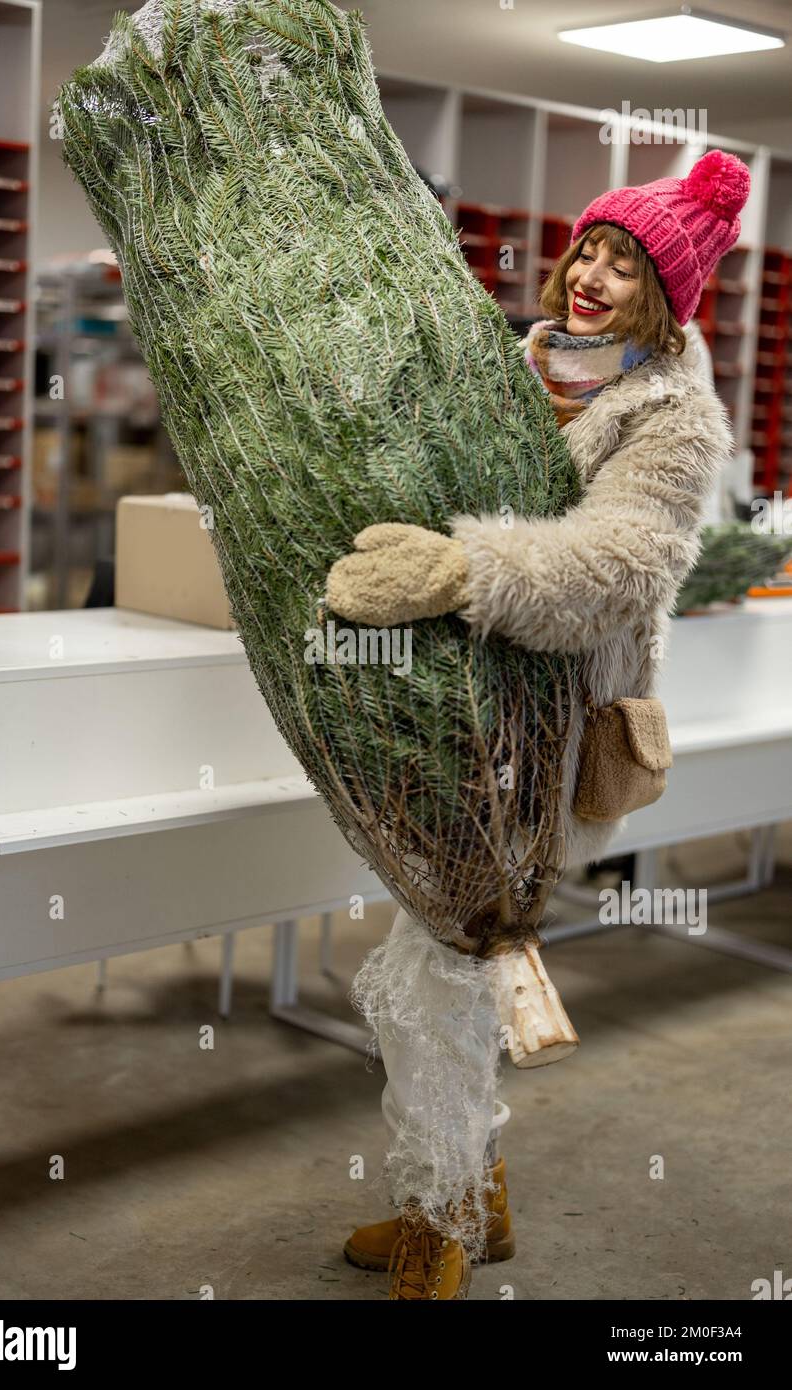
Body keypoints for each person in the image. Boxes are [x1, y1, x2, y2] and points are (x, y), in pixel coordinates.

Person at [326, 149, 750, 1300]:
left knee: (443, 957)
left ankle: (445, 1215)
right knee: (449, 952)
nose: (593, 277)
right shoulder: (527, 361)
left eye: (627, 265)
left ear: (666, 299)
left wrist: (462, 569)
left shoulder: (674, 422)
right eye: (590, 250)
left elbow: (615, 567)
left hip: (553, 732)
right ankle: (474, 1192)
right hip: (457, 710)